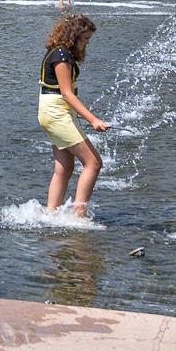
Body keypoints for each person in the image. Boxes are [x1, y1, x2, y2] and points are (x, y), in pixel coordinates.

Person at [39, 14, 111, 219]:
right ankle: (79, 216)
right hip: (56, 112)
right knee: (94, 163)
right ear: (74, 36)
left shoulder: (60, 52)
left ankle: (50, 214)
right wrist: (93, 120)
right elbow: (67, 93)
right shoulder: (61, 56)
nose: (87, 43)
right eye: (85, 39)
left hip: (52, 111)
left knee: (64, 166)